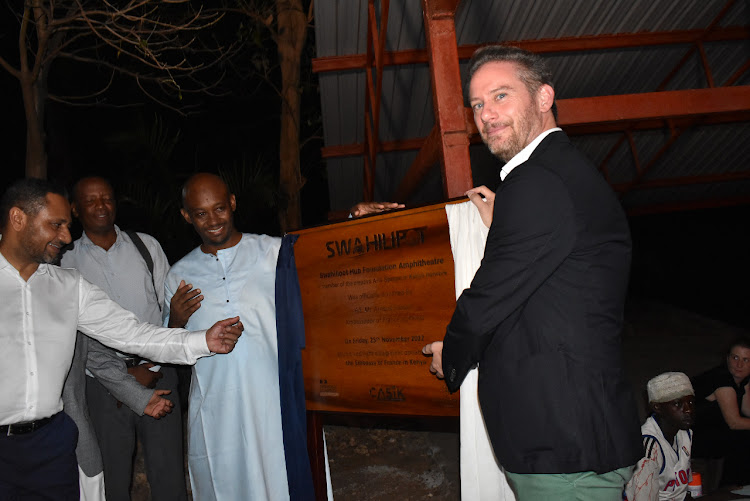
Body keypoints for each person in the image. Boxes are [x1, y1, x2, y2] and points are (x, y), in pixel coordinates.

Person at [422, 45, 642, 499]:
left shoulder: (539, 181)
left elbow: (487, 300)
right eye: (478, 104)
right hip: (569, 442)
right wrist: (503, 223)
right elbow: (548, 279)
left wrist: (453, 357)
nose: (486, 114)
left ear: (544, 98)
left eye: (501, 96)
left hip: (567, 448)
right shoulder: (554, 176)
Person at [0, 178, 243, 500]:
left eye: (66, 226)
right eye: (56, 224)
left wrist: (201, 341)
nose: (66, 236)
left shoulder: (69, 286)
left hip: (53, 445)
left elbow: (131, 333)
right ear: (18, 219)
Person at [163, 172, 311, 500]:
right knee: (228, 486)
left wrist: (354, 218)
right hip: (218, 411)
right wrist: (175, 320)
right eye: (200, 213)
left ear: (232, 203)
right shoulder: (178, 275)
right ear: (187, 216)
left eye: (219, 208)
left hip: (274, 402)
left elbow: (329, 265)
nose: (213, 220)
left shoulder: (275, 253)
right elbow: (168, 350)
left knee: (282, 482)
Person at [61, 176, 192, 500]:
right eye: (90, 201)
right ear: (76, 209)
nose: (101, 206)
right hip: (101, 386)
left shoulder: (146, 247)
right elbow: (72, 336)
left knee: (169, 475)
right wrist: (119, 379)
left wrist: (151, 365)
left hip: (159, 373)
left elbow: (167, 312)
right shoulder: (65, 261)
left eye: (106, 198)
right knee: (112, 478)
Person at [625, 372, 696, 501]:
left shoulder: (684, 433)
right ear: (657, 407)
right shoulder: (648, 446)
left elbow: (682, 489)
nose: (688, 409)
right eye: (677, 403)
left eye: (690, 402)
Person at [691, 337, 750, 487]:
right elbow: (735, 422)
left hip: (709, 427)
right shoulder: (723, 380)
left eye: (746, 360)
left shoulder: (742, 378)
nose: (739, 365)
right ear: (727, 358)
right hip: (688, 436)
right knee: (741, 442)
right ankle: (730, 488)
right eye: (735, 357)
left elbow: (746, 409)